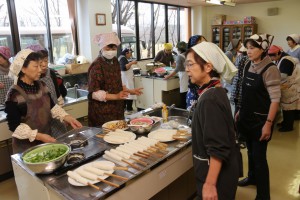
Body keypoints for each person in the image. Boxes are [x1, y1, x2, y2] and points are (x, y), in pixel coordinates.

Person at [186, 42, 239, 200]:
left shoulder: (210, 99)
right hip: (221, 172)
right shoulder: (215, 90)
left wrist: (209, 185)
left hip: (218, 178)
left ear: (208, 67)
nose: (186, 69)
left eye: (190, 64)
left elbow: (218, 147)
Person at [5, 49, 82, 153]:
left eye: (40, 65)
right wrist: (39, 136)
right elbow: (14, 127)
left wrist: (67, 117)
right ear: (23, 68)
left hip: (46, 143)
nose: (40, 70)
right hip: (26, 150)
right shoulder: (14, 94)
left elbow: (52, 107)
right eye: (36, 66)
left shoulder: (42, 86)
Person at [236, 34, 281, 200]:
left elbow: (275, 99)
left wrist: (268, 124)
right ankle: (252, 177)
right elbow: (245, 92)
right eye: (247, 47)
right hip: (246, 117)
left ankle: (264, 195)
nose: (248, 51)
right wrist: (240, 109)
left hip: (261, 121)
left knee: (260, 158)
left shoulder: (270, 69)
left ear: (263, 49)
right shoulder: (249, 63)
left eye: (252, 47)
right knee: (250, 152)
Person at [88, 32, 143, 127]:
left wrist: (130, 91)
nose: (111, 51)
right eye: (107, 48)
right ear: (101, 47)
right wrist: (116, 96)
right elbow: (94, 94)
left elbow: (116, 83)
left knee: (119, 134)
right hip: (101, 112)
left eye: (113, 48)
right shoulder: (96, 66)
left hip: (117, 109)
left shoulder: (115, 62)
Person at [26, 44, 68, 137]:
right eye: (40, 62)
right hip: (38, 127)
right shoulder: (27, 81)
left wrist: (63, 116)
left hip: (55, 118)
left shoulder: (51, 73)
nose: (44, 65)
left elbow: (57, 97)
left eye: (46, 60)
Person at [268, 45, 299, 132]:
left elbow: (283, 76)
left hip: (290, 87)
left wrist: (271, 78)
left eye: (272, 56)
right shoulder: (282, 58)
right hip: (288, 87)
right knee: (285, 108)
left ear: (278, 53)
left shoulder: (286, 60)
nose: (272, 59)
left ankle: (288, 126)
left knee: (288, 108)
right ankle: (285, 122)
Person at [164, 41, 189, 109]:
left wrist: (168, 76)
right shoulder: (187, 54)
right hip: (188, 74)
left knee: (183, 92)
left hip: (183, 75)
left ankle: (183, 109)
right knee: (187, 91)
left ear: (179, 49)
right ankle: (186, 107)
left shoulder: (179, 56)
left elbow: (177, 69)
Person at [186, 35, 207, 109]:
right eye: (201, 43)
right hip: (195, 91)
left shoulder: (206, 58)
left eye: (205, 43)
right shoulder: (192, 59)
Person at [230, 43, 249, 115]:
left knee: (236, 110)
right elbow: (241, 77)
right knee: (239, 111)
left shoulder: (239, 57)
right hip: (240, 89)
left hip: (236, 88)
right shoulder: (246, 59)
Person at [118, 48, 138, 114]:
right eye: (130, 53)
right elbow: (124, 68)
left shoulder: (123, 58)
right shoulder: (122, 58)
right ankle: (128, 109)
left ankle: (126, 109)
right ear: (126, 53)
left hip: (126, 79)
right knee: (129, 94)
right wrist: (132, 63)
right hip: (126, 80)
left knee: (127, 94)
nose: (131, 55)